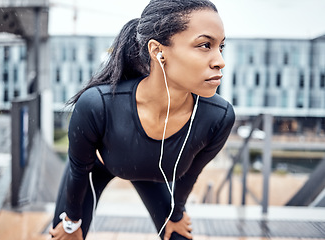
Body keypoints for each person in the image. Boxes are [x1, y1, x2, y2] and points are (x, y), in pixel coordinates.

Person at [49, 0, 235, 239]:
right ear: (158, 51)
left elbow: (190, 174)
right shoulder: (98, 105)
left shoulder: (219, 117)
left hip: (151, 170)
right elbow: (78, 170)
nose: (220, 60)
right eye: (205, 45)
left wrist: (176, 214)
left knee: (178, 235)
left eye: (221, 47)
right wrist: (72, 223)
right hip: (97, 165)